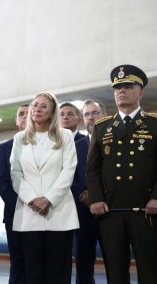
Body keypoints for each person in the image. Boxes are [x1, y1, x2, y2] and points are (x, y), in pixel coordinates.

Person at [87, 64, 157, 284]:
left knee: (150, 270)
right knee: (115, 272)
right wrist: (96, 199)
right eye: (117, 88)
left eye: (128, 86)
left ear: (140, 91)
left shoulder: (154, 124)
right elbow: (93, 168)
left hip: (146, 210)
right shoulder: (102, 127)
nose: (121, 91)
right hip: (111, 211)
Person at [10, 92, 79, 284]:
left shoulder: (64, 136)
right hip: (29, 212)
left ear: (52, 112)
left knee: (59, 270)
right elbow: (16, 174)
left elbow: (69, 170)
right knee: (33, 271)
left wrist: (48, 199)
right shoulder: (19, 138)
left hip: (59, 212)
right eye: (34, 105)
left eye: (43, 106)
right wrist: (33, 199)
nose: (37, 110)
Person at [60, 102, 96, 284]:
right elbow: (63, 173)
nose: (65, 117)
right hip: (73, 207)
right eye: (61, 114)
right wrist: (81, 193)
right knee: (75, 256)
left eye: (69, 113)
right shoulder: (55, 143)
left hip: (99, 206)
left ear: (78, 118)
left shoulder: (86, 141)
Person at [0, 103, 29, 284]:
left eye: (28, 113)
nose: (25, 116)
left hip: (42, 214)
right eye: (21, 114)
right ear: (16, 121)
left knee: (37, 262)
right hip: (14, 213)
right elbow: (2, 181)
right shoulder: (5, 147)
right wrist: (21, 205)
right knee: (18, 262)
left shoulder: (47, 143)